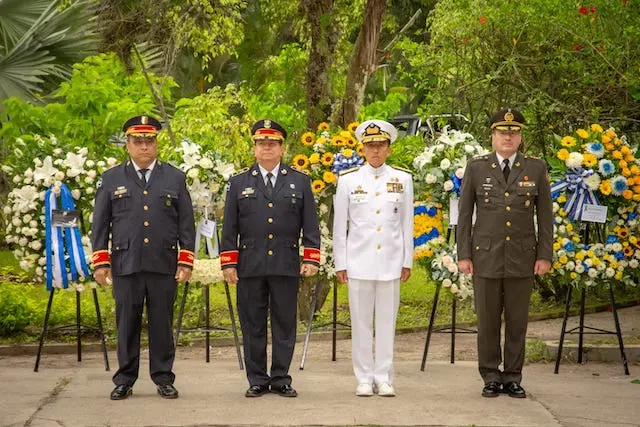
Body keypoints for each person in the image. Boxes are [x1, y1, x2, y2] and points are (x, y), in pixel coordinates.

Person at [91, 115, 196, 400]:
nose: (145, 147)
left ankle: (163, 378)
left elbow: (186, 222)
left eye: (150, 141)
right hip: (126, 263)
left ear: (157, 143)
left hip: (163, 264)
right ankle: (125, 379)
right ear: (127, 144)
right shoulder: (111, 178)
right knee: (127, 323)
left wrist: (186, 260)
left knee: (162, 323)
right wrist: (100, 261)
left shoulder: (175, 177)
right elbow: (100, 223)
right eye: (138, 141)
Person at [456, 108, 553, 399]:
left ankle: (512, 376)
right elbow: (464, 215)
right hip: (485, 255)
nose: (507, 137)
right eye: (502, 132)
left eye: (512, 132)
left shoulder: (535, 168)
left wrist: (544, 254)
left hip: (522, 256)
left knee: (517, 320)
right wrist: (464, 254)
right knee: (486, 320)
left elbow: (545, 216)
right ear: (493, 135)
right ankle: (490, 375)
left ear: (520, 136)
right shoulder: (477, 167)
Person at [220, 119, 321, 398]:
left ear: (282, 147)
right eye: (261, 143)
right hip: (250, 265)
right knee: (252, 323)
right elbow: (229, 227)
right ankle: (257, 379)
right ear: (254, 148)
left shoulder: (299, 181)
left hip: (286, 264)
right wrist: (228, 262)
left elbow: (309, 224)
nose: (267, 148)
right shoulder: (238, 182)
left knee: (284, 323)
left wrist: (311, 256)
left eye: (272, 143)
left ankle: (280, 378)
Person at [333, 119, 414, 397]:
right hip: (358, 262)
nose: (375, 151)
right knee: (361, 322)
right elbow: (340, 225)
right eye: (370, 146)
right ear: (362, 149)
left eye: (380, 145)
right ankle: (364, 377)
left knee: (387, 322)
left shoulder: (403, 179)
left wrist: (407, 259)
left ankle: (384, 376)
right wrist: (340, 263)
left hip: (391, 262)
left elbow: (406, 223)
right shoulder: (348, 180)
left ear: (389, 149)